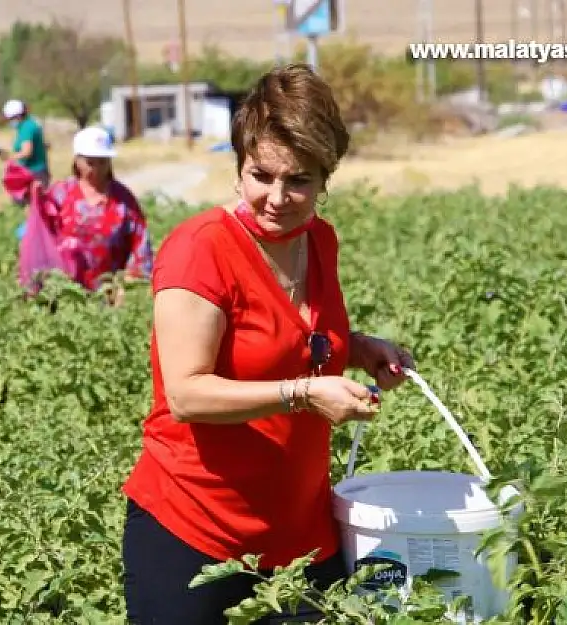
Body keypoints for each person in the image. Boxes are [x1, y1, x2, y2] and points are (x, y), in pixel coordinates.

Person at [119, 63, 416, 624]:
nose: (278, 197)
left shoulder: (319, 241)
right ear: (238, 167)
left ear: (325, 177)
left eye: (299, 180)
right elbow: (186, 393)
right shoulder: (199, 251)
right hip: (196, 529)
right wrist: (304, 395)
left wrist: (359, 347)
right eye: (262, 175)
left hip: (303, 535)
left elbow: (297, 338)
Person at [32, 126, 153, 301]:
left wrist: (128, 285)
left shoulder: (123, 200)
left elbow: (141, 247)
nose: (96, 169)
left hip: (109, 296)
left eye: (102, 162)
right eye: (90, 163)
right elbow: (42, 236)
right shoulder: (60, 194)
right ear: (77, 161)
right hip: (64, 295)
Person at [0, 99, 51, 187]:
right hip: (37, 172)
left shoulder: (27, 128)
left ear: (17, 116)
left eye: (10, 119)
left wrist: (9, 157)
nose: (9, 122)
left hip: (34, 175)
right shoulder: (29, 124)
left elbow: (26, 152)